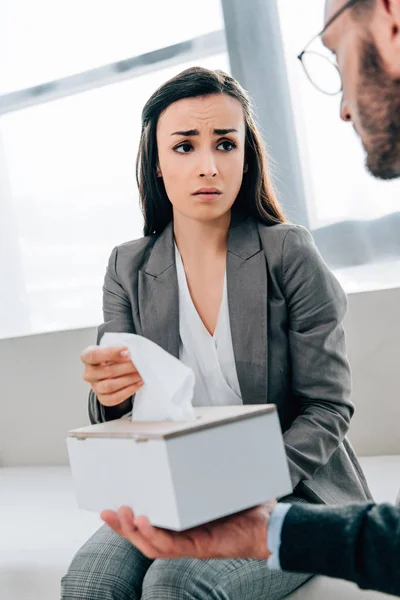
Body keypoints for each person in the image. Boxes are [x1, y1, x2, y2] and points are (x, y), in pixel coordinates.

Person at [100, 0, 400, 597]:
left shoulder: (289, 253)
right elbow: (123, 416)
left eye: (226, 144)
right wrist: (110, 397)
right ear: (156, 163)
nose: (208, 164)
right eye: (184, 146)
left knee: (173, 586)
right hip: (172, 487)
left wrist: (247, 484)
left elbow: (327, 409)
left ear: (246, 154)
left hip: (290, 489)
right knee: (91, 580)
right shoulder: (128, 266)